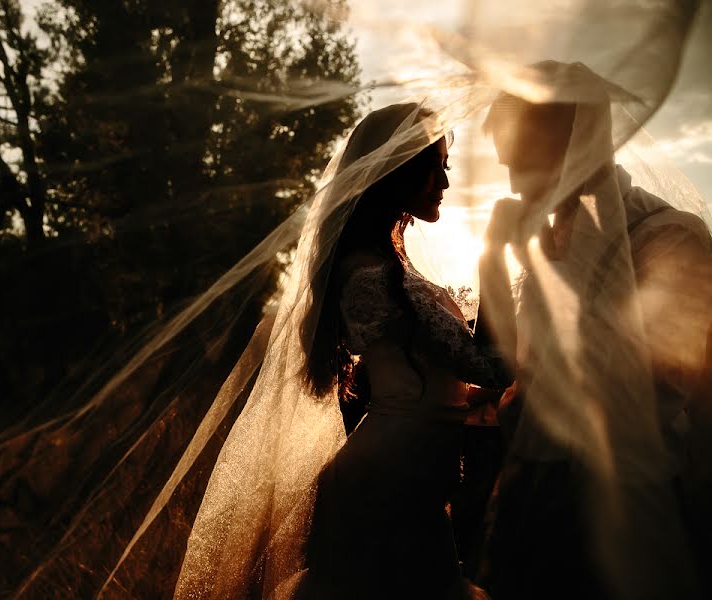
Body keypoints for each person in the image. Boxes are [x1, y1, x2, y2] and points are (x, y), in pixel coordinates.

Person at [477, 62, 712, 600]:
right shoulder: (547, 244)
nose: (513, 186)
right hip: (532, 495)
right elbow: (517, 361)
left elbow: (655, 391)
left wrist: (527, 403)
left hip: (629, 513)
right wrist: (493, 261)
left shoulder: (670, 238)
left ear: (577, 148)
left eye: (524, 165)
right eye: (506, 168)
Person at [293, 102, 516, 598]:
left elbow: (441, 387)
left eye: (446, 167)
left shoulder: (388, 266)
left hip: (410, 484)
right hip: (383, 487)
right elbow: (489, 365)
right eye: (434, 168)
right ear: (397, 173)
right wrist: (495, 252)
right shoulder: (372, 275)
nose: (446, 183)